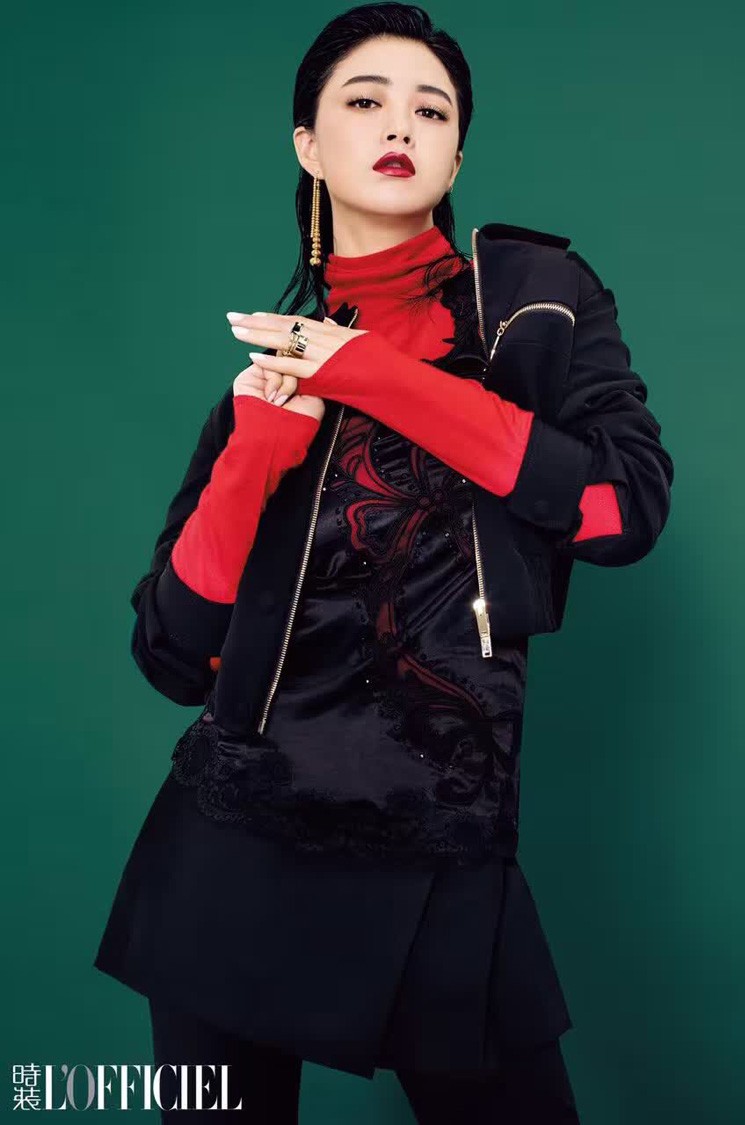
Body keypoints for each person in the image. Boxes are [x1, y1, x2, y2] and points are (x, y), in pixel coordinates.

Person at [93, 4, 674, 1122]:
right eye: (364, 101)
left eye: (431, 110)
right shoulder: (265, 381)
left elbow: (619, 511)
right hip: (229, 849)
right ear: (308, 146)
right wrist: (256, 450)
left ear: (455, 156)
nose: (401, 124)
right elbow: (172, 652)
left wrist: (370, 373)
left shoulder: (535, 306)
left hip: (441, 841)